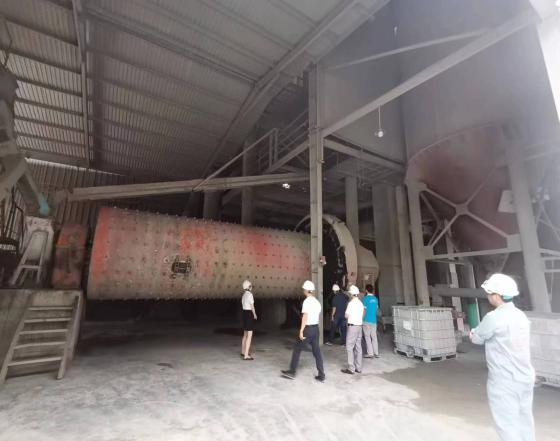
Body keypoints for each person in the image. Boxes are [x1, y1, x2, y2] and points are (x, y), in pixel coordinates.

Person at [469, 273, 535, 441]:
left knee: (507, 424)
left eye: (489, 293)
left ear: (496, 296)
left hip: (504, 380)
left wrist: (473, 333)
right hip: (525, 376)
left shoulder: (494, 317)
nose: (488, 296)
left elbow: (477, 338)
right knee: (525, 419)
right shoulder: (520, 315)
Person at [281, 280, 326, 382]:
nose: (303, 291)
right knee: (317, 352)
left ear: (306, 290)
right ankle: (321, 374)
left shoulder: (306, 302)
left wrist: (301, 330)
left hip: (308, 329)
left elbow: (305, 317)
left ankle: (292, 372)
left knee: (297, 348)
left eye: (304, 289)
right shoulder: (317, 302)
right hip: (316, 329)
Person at [341, 285, 364, 374]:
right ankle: (359, 367)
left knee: (349, 347)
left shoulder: (351, 304)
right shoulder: (360, 303)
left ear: (351, 294)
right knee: (358, 346)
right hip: (359, 326)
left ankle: (351, 368)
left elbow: (346, 316)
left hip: (352, 327)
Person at [241, 280, 257, 360]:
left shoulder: (244, 295)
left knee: (245, 335)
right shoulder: (250, 295)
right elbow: (252, 306)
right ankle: (246, 355)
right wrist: (254, 314)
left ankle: (243, 351)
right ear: (249, 287)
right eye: (250, 286)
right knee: (249, 336)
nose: (251, 287)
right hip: (249, 314)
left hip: (244, 314)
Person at [362, 284, 380, 358]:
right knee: (374, 336)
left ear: (366, 290)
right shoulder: (375, 299)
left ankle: (370, 353)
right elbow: (376, 309)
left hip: (366, 320)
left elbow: (364, 310)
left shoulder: (365, 299)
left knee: (367, 337)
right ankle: (376, 353)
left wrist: (361, 319)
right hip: (374, 320)